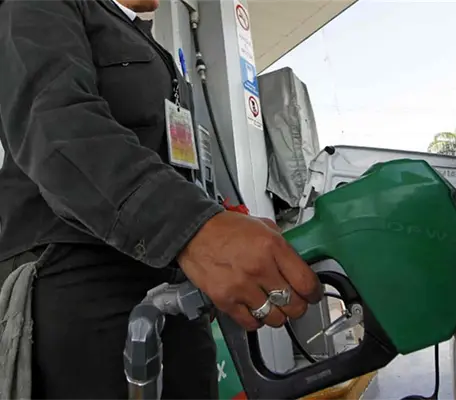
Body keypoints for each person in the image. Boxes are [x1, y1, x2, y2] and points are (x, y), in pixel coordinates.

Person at [0, 0, 322, 399]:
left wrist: (218, 219)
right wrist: (195, 229)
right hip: (78, 276)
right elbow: (53, 126)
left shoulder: (152, 47)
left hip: (168, 277)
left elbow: (168, 159)